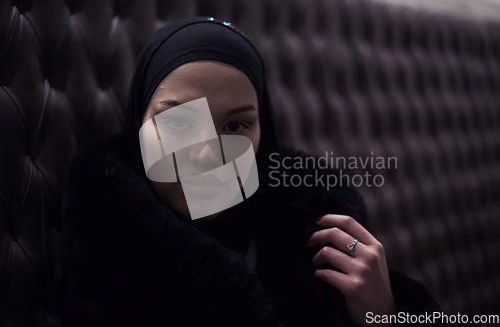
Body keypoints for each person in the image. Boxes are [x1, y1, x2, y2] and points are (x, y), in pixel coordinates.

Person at [56, 17, 443, 327]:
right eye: (180, 123)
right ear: (137, 125)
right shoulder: (105, 277)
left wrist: (387, 314)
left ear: (263, 132)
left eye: (236, 127)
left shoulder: (317, 244)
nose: (209, 154)